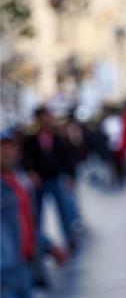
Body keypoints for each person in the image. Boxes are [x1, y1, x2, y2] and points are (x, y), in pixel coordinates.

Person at [1, 129, 68, 298]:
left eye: (9, 147)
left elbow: (29, 220)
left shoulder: (19, 181)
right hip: (3, 268)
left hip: (23, 265)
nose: (6, 152)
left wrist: (47, 245)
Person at [21, 106, 78, 250]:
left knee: (64, 210)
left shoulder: (57, 137)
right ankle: (38, 243)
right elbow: (26, 159)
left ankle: (69, 238)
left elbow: (66, 157)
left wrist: (70, 175)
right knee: (37, 214)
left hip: (55, 178)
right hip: (40, 181)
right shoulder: (31, 140)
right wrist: (31, 172)